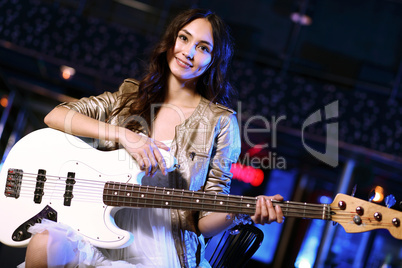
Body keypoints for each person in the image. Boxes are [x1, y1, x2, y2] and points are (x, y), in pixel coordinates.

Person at [22, 8, 284, 268]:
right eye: (184, 38)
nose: (189, 52)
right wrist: (123, 134)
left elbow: (204, 224)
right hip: (98, 228)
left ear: (214, 61)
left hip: (163, 247)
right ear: (171, 40)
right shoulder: (129, 96)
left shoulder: (220, 122)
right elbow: (56, 115)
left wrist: (239, 210)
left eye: (203, 48)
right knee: (43, 244)